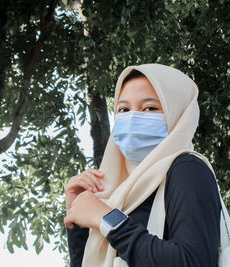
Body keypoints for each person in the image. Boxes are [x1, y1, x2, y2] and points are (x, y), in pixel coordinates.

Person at [64, 63, 221, 267]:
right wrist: (77, 217)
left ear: (178, 114)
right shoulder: (119, 192)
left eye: (149, 108)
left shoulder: (187, 169)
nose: (132, 118)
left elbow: (192, 262)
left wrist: (106, 218)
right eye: (123, 109)